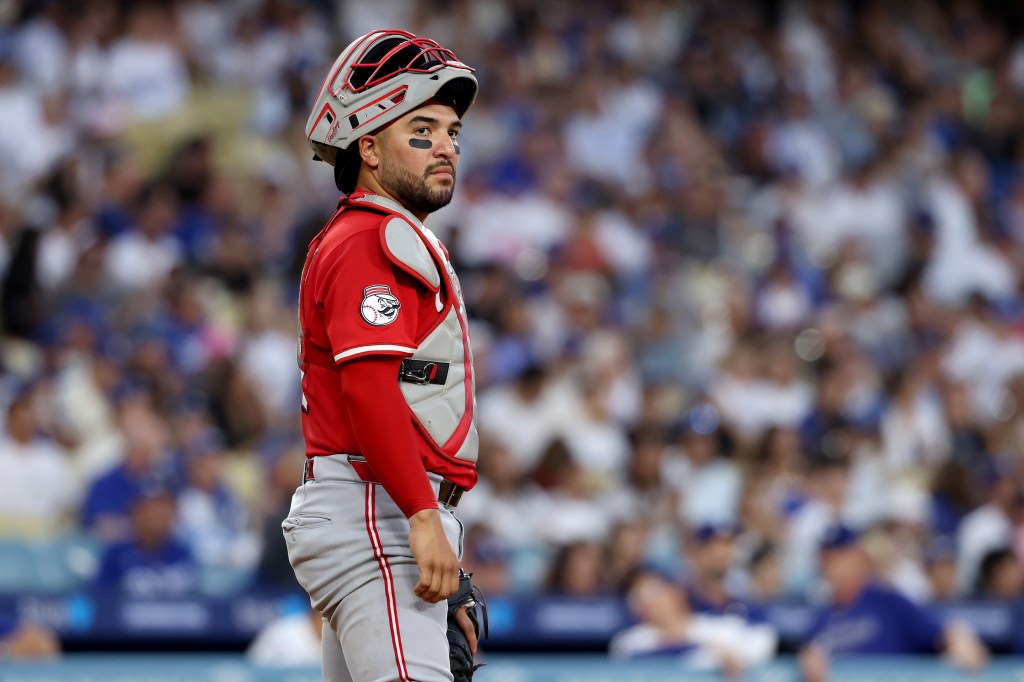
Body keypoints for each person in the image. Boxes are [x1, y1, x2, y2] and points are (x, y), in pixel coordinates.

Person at [284, 29, 483, 682]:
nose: (446, 146)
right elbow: (371, 389)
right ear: (367, 147)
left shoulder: (371, 234)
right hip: (378, 507)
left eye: (453, 132)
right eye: (421, 129)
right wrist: (422, 517)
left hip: (381, 505)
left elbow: (399, 379)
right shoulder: (374, 235)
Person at [798, 524, 987, 682]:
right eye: (826, 558)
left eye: (838, 557)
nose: (830, 566)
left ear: (859, 558)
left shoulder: (888, 602)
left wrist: (962, 640)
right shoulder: (821, 615)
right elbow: (809, 654)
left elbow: (941, 634)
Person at [610, 565, 777, 677]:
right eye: (637, 598)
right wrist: (707, 650)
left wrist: (734, 657)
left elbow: (761, 643)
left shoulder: (715, 626)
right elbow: (634, 657)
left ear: (676, 591)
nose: (646, 602)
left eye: (653, 591)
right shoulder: (634, 638)